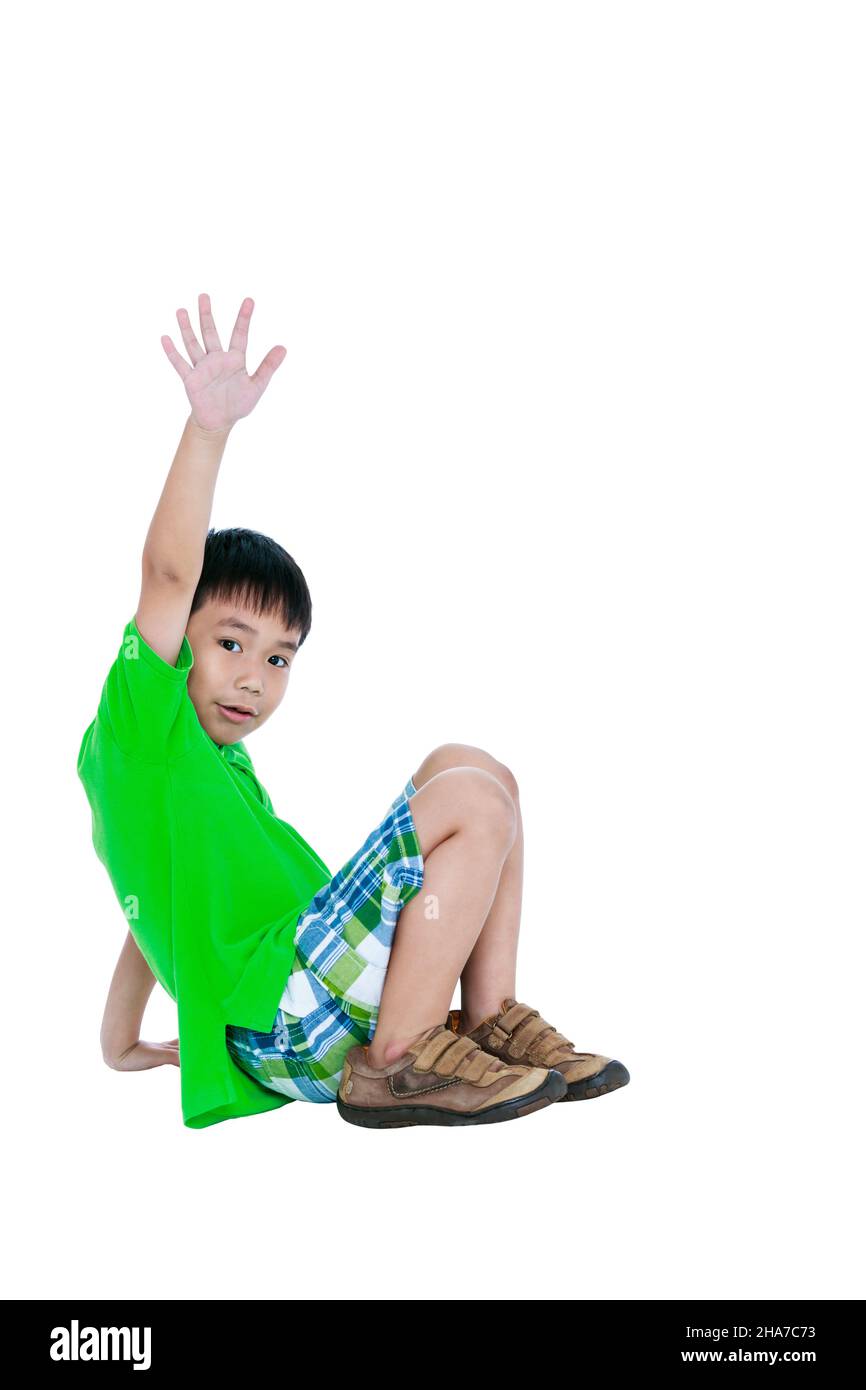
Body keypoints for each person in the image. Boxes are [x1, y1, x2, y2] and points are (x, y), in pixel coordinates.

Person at [77, 291, 630, 1131]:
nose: (255, 678)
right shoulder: (139, 731)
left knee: (476, 769)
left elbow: (151, 906)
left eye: (278, 658)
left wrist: (118, 1043)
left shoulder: (207, 772)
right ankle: (401, 1058)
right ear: (176, 642)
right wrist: (207, 432)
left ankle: (487, 1021)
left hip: (307, 1000)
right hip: (289, 1014)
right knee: (468, 802)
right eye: (230, 643)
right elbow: (165, 576)